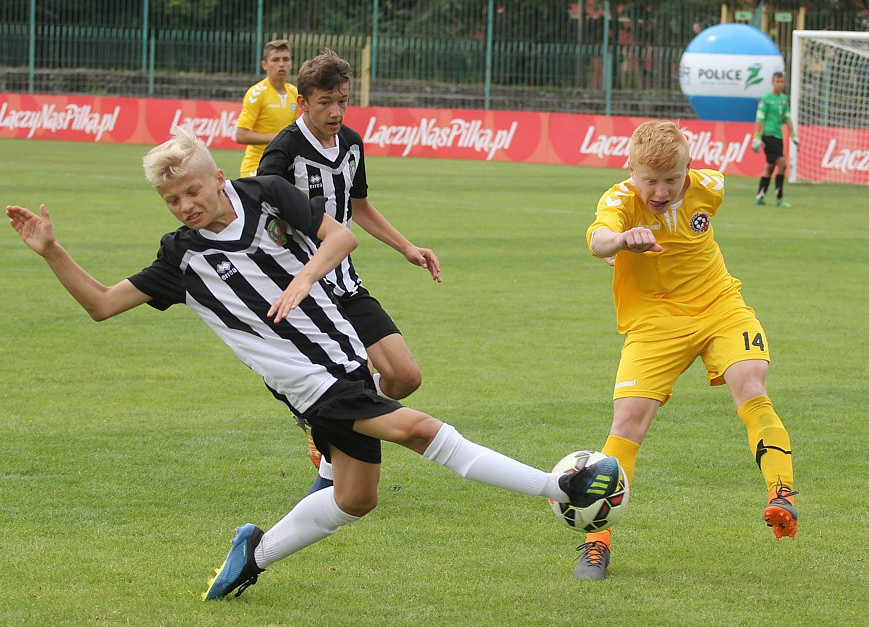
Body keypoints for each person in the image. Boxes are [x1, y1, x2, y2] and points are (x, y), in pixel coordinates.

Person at [6, 128, 613, 601]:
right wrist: (52, 250)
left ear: (218, 177)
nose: (186, 204)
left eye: (193, 190)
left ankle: (255, 553)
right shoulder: (182, 260)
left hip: (345, 360)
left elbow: (341, 238)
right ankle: (557, 490)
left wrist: (300, 280)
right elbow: (103, 305)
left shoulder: (266, 194)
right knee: (417, 428)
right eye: (172, 199)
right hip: (309, 386)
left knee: (356, 499)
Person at [579, 120, 798, 581]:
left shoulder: (711, 187)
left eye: (671, 179)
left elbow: (696, 212)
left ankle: (782, 494)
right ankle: (596, 546)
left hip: (721, 306)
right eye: (649, 179)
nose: (660, 190)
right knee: (627, 422)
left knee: (751, 383)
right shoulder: (619, 201)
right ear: (631, 169)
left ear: (689, 169)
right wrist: (619, 242)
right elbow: (598, 238)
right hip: (656, 322)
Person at [257, 48, 440, 492]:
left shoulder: (353, 143)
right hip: (304, 292)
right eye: (325, 102)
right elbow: (262, 222)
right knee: (338, 387)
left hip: (345, 283)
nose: (336, 111)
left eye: (342, 100)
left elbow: (358, 207)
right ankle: (325, 442)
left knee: (404, 377)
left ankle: (327, 426)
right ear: (303, 103)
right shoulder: (282, 152)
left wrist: (405, 247)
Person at [235, 39, 299, 178]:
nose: (281, 64)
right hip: (256, 166)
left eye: (285, 59)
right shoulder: (257, 93)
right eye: (275, 59)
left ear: (291, 63)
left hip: (283, 165)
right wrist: (278, 138)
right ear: (264, 64)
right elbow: (241, 135)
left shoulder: (295, 93)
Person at [751, 72, 798, 208]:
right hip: (768, 135)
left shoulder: (784, 99)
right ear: (773, 83)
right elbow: (760, 118)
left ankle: (760, 196)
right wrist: (757, 137)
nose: (780, 84)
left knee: (770, 167)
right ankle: (779, 197)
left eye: (782, 82)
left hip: (778, 136)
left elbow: (787, 118)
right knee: (783, 163)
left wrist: (793, 134)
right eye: (778, 82)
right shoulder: (766, 98)